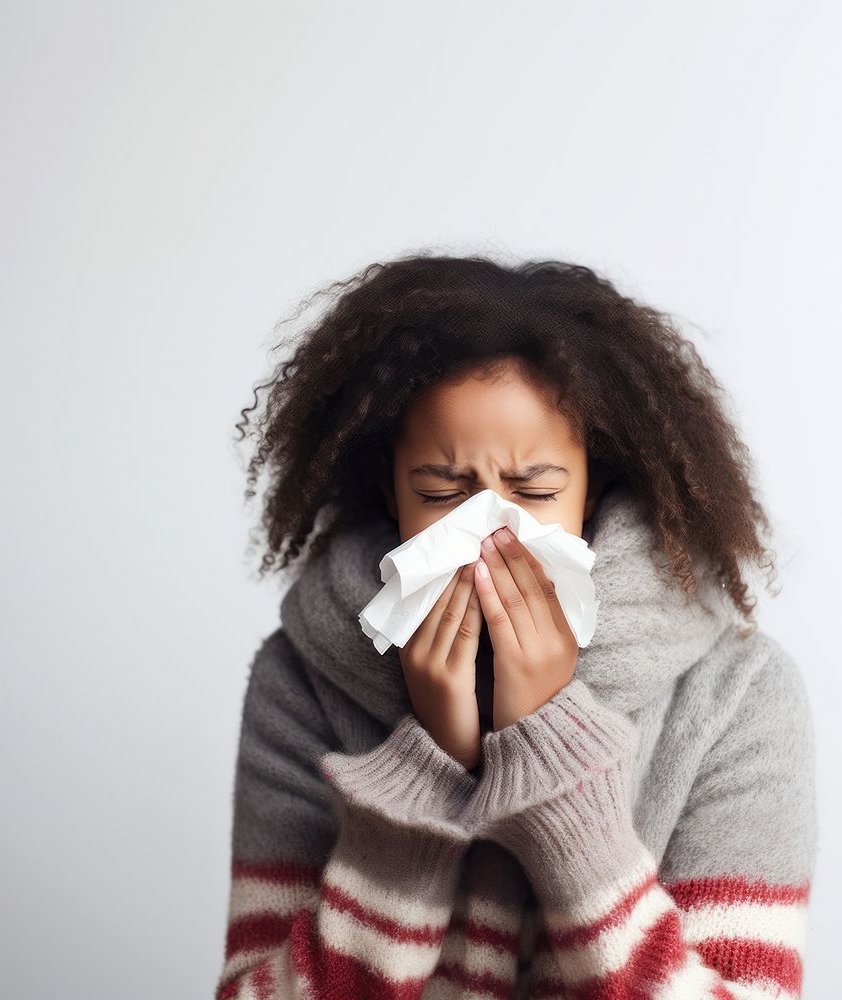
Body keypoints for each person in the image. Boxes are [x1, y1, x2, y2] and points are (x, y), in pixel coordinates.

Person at [214, 254, 817, 999]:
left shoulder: (739, 699)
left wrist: (551, 751)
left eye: (533, 490)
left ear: (595, 483)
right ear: (388, 487)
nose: (487, 528)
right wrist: (422, 773)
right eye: (442, 492)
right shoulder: (300, 683)